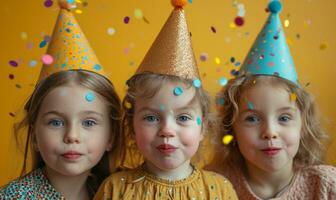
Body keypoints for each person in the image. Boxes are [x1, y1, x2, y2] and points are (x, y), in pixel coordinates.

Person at [94, 1, 237, 199]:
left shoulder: (221, 190)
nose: (167, 130)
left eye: (183, 117)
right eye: (151, 118)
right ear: (132, 124)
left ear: (203, 126)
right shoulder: (115, 190)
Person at [211, 1, 336, 199]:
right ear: (230, 128)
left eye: (284, 118)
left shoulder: (327, 186)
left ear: (303, 125)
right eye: (252, 119)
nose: (270, 133)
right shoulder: (213, 186)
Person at [0, 1, 122, 199]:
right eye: (55, 122)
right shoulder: (12, 197)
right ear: (34, 135)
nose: (72, 136)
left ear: (111, 136)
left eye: (89, 122)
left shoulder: (122, 192)